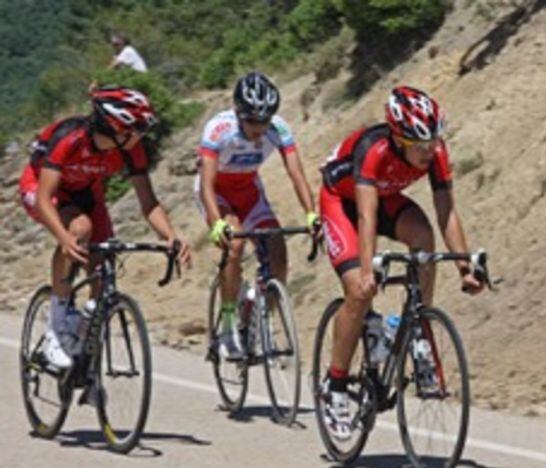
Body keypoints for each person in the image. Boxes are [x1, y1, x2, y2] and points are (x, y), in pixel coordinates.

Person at [318, 86, 485, 440]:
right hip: (343, 204)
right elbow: (366, 216)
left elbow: (447, 211)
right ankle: (335, 386)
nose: (429, 151)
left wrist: (464, 268)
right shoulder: (372, 150)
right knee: (358, 294)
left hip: (386, 199)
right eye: (420, 146)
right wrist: (367, 271)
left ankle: (419, 330)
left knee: (423, 238)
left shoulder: (435, 152)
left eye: (434, 142)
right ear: (397, 137)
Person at [18, 87, 191, 369]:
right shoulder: (69, 139)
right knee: (80, 229)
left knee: (103, 260)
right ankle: (56, 326)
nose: (140, 137)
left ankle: (84, 335)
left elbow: (148, 203)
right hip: (42, 187)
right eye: (136, 129)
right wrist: (64, 238)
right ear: (115, 127)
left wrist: (170, 235)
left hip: (86, 191)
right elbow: (44, 198)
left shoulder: (130, 150)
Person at [195, 71, 318, 360]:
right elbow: (206, 185)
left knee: (278, 251)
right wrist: (217, 223)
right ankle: (226, 327)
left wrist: (311, 214)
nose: (259, 128)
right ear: (238, 113)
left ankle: (258, 320)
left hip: (249, 191)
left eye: (265, 120)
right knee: (234, 245)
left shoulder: (279, 129)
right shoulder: (218, 129)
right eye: (252, 121)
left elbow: (296, 173)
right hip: (217, 193)